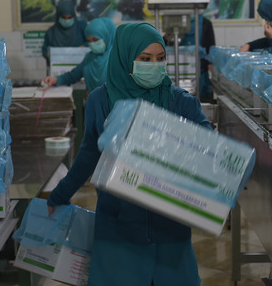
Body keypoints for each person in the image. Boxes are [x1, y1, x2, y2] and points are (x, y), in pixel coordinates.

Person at [47, 22, 210, 286]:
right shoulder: (101, 101)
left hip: (169, 229)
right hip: (118, 226)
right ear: (125, 58)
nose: (154, 66)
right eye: (145, 59)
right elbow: (89, 153)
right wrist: (60, 195)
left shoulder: (180, 102)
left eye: (160, 59)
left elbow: (209, 150)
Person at [42, 17, 116, 93]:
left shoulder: (118, 59)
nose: (92, 44)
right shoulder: (89, 57)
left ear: (107, 36)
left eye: (95, 40)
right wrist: (55, 80)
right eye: (89, 41)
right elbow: (73, 75)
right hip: (93, 103)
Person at [179, 13, 216, 103]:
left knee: (201, 94)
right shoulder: (178, 22)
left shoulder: (206, 23)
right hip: (180, 67)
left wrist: (211, 64)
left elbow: (211, 45)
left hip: (201, 67)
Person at [41, 0, 88, 65]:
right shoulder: (51, 32)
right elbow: (45, 49)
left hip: (79, 67)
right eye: (63, 17)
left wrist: (83, 47)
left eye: (69, 17)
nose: (66, 20)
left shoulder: (81, 27)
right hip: (58, 68)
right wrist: (49, 55)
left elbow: (90, 42)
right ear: (58, 17)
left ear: (74, 15)